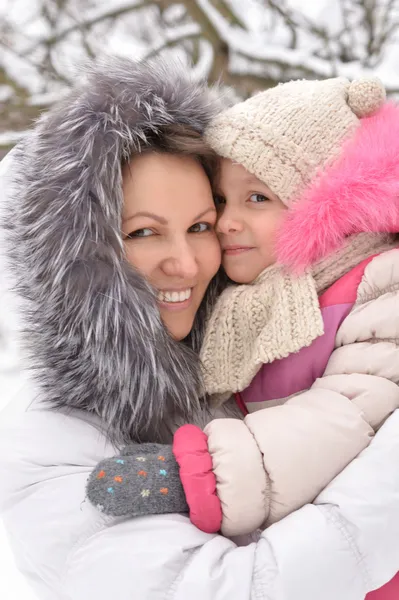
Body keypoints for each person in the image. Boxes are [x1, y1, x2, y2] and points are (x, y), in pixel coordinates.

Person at [0, 57, 398, 600]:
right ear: (73, 258)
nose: (186, 264)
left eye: (200, 226)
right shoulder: (52, 438)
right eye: (143, 233)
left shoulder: (230, 363)